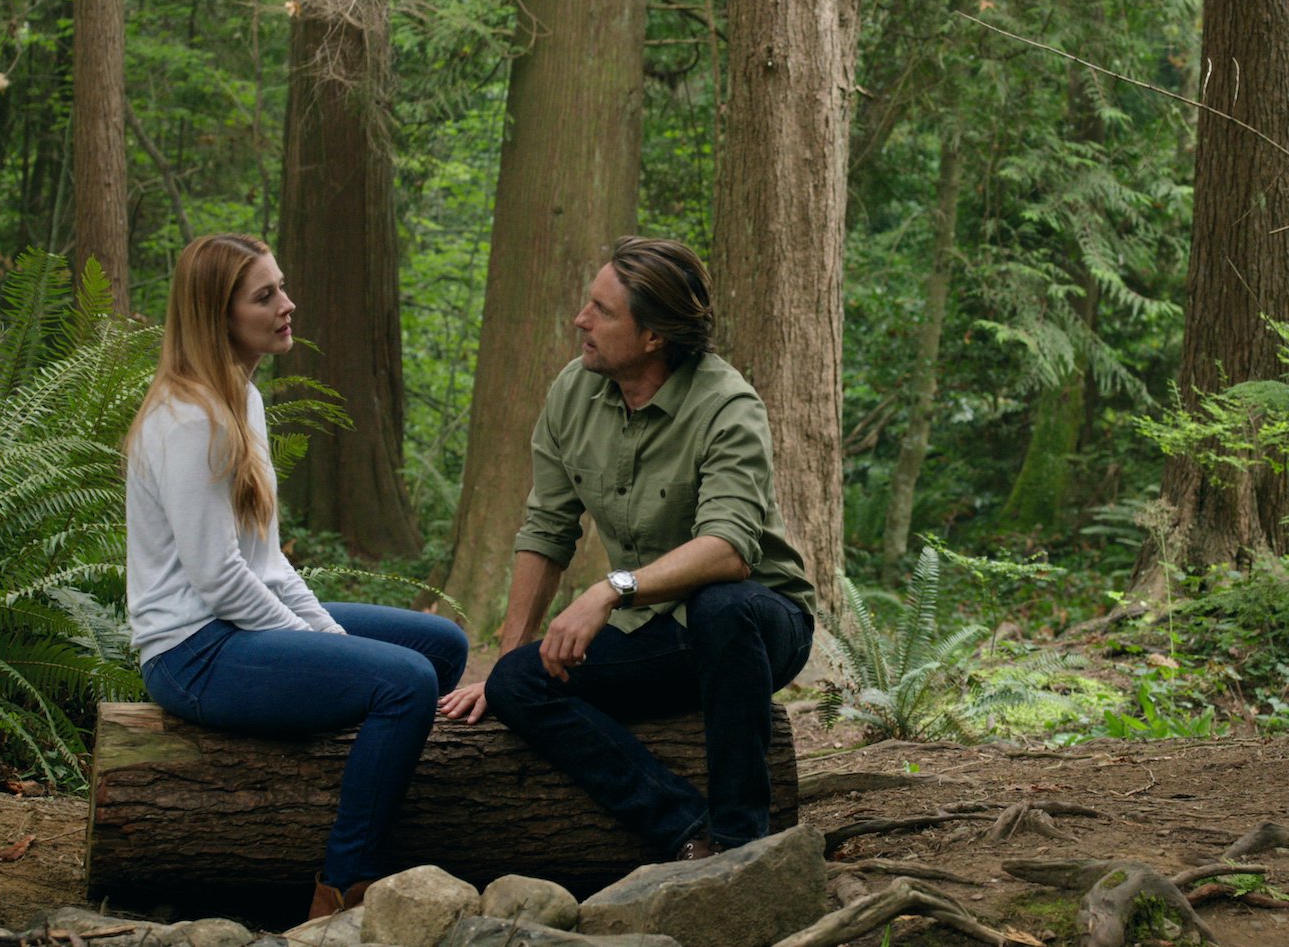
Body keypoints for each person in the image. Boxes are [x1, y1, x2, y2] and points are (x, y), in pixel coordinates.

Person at [124, 234, 468, 920]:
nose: (287, 304)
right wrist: (323, 646)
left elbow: (267, 561)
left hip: (236, 627)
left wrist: (329, 636)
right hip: (191, 652)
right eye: (265, 296)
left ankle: (354, 774)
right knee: (405, 682)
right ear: (218, 316)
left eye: (280, 287)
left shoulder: (241, 398)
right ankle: (342, 887)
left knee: (441, 646)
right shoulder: (188, 419)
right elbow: (219, 580)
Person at [440, 236, 814, 861]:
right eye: (588, 303)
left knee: (722, 605)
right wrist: (507, 663)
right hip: (658, 633)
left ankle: (743, 840)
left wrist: (611, 590)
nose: (580, 320)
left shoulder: (728, 406)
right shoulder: (572, 392)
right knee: (517, 684)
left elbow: (728, 549)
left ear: (654, 337)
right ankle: (687, 833)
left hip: (760, 625)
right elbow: (547, 529)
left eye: (602, 311)